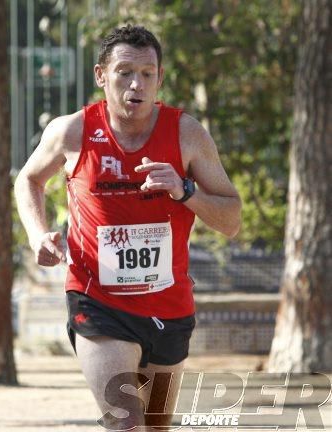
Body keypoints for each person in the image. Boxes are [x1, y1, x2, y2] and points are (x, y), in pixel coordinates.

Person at [14, 25, 241, 430]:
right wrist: (37, 233)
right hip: (97, 301)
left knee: (155, 425)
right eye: (124, 72)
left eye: (147, 74)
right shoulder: (73, 131)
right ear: (102, 76)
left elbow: (231, 220)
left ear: (160, 78)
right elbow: (28, 179)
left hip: (169, 304)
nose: (136, 85)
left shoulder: (187, 134)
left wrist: (185, 191)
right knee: (126, 421)